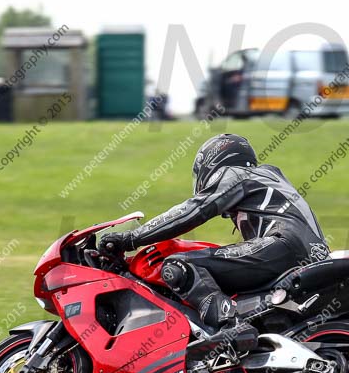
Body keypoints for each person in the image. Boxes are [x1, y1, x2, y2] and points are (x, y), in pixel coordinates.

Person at [99, 134, 329, 354]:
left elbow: (193, 210)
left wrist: (130, 238)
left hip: (284, 244)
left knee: (178, 265)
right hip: (312, 255)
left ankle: (231, 326)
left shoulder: (238, 174)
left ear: (212, 161)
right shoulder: (269, 179)